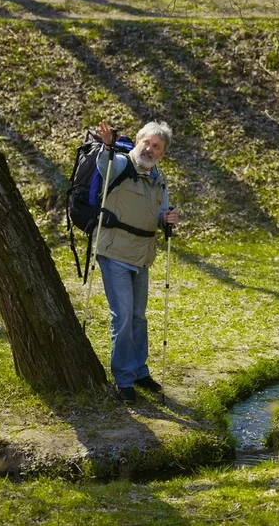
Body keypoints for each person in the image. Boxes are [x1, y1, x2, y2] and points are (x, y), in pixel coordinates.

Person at [95, 119, 179, 402]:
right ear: (138, 140)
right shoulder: (120, 164)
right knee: (123, 317)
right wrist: (106, 145)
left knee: (138, 317)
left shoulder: (159, 179)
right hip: (114, 251)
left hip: (142, 255)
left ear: (162, 153)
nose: (150, 149)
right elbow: (104, 166)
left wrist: (166, 219)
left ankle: (140, 371)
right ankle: (124, 380)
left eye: (157, 147)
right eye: (147, 142)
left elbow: (157, 214)